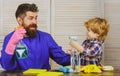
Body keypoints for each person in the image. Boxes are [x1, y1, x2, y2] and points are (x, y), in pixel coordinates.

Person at [0, 3, 70, 71]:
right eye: (30, 18)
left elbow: (62, 59)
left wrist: (76, 56)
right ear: (20, 20)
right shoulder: (10, 39)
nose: (35, 22)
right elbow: (6, 66)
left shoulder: (46, 38)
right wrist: (12, 44)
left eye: (36, 18)